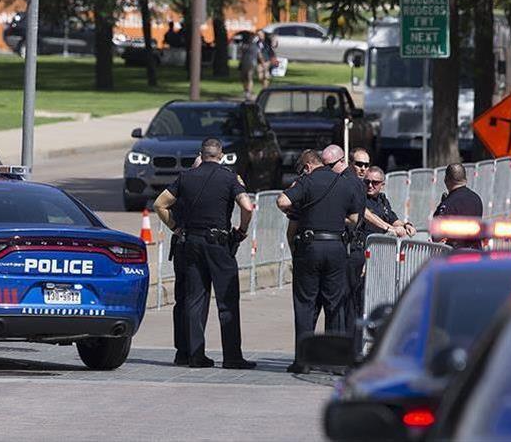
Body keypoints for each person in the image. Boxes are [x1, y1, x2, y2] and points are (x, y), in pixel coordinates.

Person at [153, 138, 255, 369]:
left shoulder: (186, 177)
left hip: (191, 243)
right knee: (227, 301)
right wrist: (242, 230)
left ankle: (195, 356)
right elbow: (247, 206)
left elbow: (160, 204)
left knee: (195, 300)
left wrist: (175, 227)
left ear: (201, 154)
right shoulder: (229, 178)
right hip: (219, 245)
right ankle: (232, 357)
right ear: (221, 156)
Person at [277, 145, 361, 374]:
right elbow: (355, 218)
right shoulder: (344, 183)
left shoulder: (307, 182)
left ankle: (303, 361)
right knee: (335, 305)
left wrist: (300, 211)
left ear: (310, 165)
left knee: (305, 304)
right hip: (336, 247)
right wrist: (335, 218)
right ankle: (335, 361)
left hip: (310, 246)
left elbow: (282, 201)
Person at [433, 163, 483, 249]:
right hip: (476, 253)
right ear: (465, 179)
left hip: (456, 254)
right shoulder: (476, 198)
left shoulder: (448, 203)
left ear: (446, 180)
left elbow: (437, 236)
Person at [238, 34, 261, 100]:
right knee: (243, 78)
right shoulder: (244, 45)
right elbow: (241, 54)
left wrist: (262, 63)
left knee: (249, 77)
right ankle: (246, 91)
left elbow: (259, 55)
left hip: (251, 63)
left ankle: (248, 92)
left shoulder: (255, 46)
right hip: (244, 62)